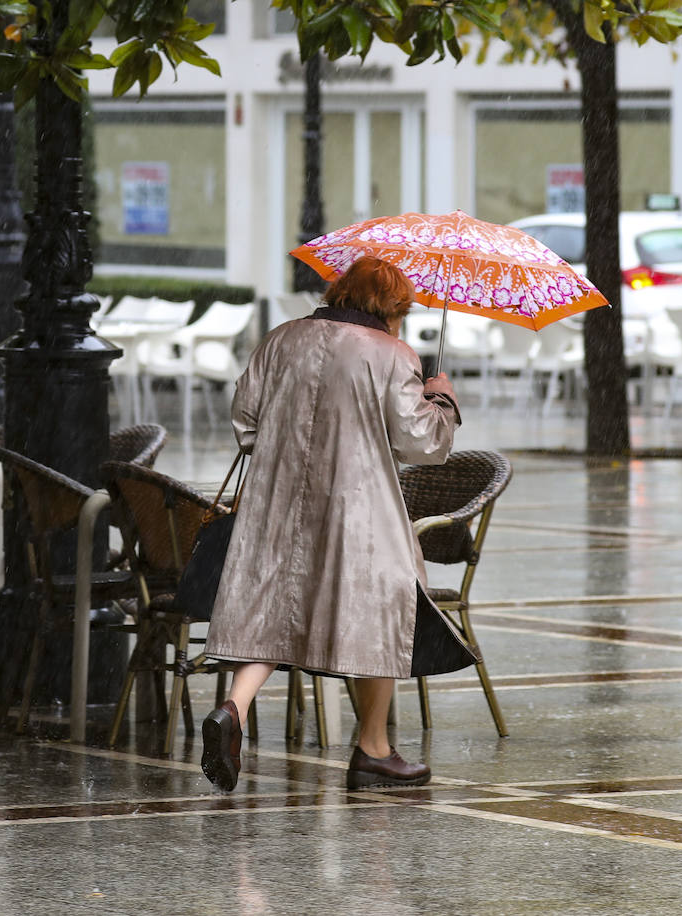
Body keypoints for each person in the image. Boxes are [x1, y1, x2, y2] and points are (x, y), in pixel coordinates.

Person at [200, 256, 477, 793]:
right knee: (381, 609)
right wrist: (441, 398)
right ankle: (373, 749)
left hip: (275, 502)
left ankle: (233, 708)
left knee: (270, 607)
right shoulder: (393, 354)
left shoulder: (282, 339)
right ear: (391, 307)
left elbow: (245, 418)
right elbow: (421, 444)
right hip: (358, 508)